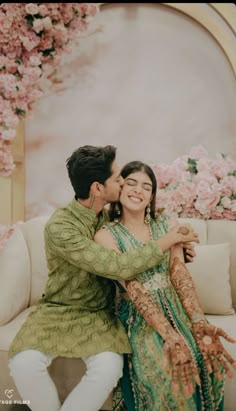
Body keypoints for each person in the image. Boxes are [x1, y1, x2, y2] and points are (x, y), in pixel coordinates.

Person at [8, 146, 199, 411]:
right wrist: (168, 241)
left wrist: (181, 248)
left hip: (100, 313)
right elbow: (118, 266)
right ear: (98, 188)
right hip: (58, 310)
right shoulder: (61, 227)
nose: (123, 183)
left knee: (109, 367)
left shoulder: (110, 217)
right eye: (118, 179)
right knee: (23, 363)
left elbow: (141, 232)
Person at [94, 160, 236, 411]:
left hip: (174, 306)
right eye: (131, 183)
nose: (138, 190)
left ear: (151, 197)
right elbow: (133, 287)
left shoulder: (167, 225)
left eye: (146, 187)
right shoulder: (106, 235)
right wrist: (169, 336)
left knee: (202, 357)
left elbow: (180, 276)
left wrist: (199, 322)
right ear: (120, 189)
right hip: (139, 316)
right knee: (165, 367)